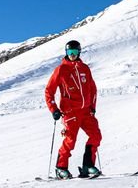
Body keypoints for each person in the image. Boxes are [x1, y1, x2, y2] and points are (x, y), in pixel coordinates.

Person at [44, 40, 102, 179]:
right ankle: (61, 168)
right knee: (70, 140)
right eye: (70, 52)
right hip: (70, 112)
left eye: (75, 52)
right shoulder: (61, 70)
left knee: (96, 136)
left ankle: (88, 166)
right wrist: (54, 109)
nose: (72, 55)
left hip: (86, 111)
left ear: (79, 52)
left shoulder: (85, 69)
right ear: (66, 53)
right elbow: (49, 91)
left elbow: (92, 89)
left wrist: (92, 107)